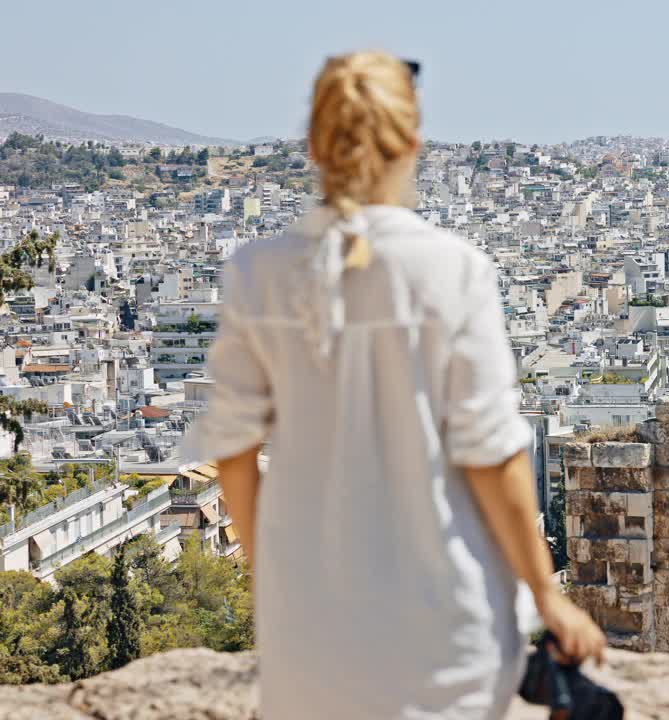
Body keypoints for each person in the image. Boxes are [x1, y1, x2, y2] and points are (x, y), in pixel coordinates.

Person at [184, 50, 604, 719]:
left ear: (314, 147)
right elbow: (492, 458)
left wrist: (275, 581)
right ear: (413, 143)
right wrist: (546, 595)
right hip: (444, 626)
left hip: (309, 641)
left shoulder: (255, 274)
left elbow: (232, 453)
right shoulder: (453, 271)